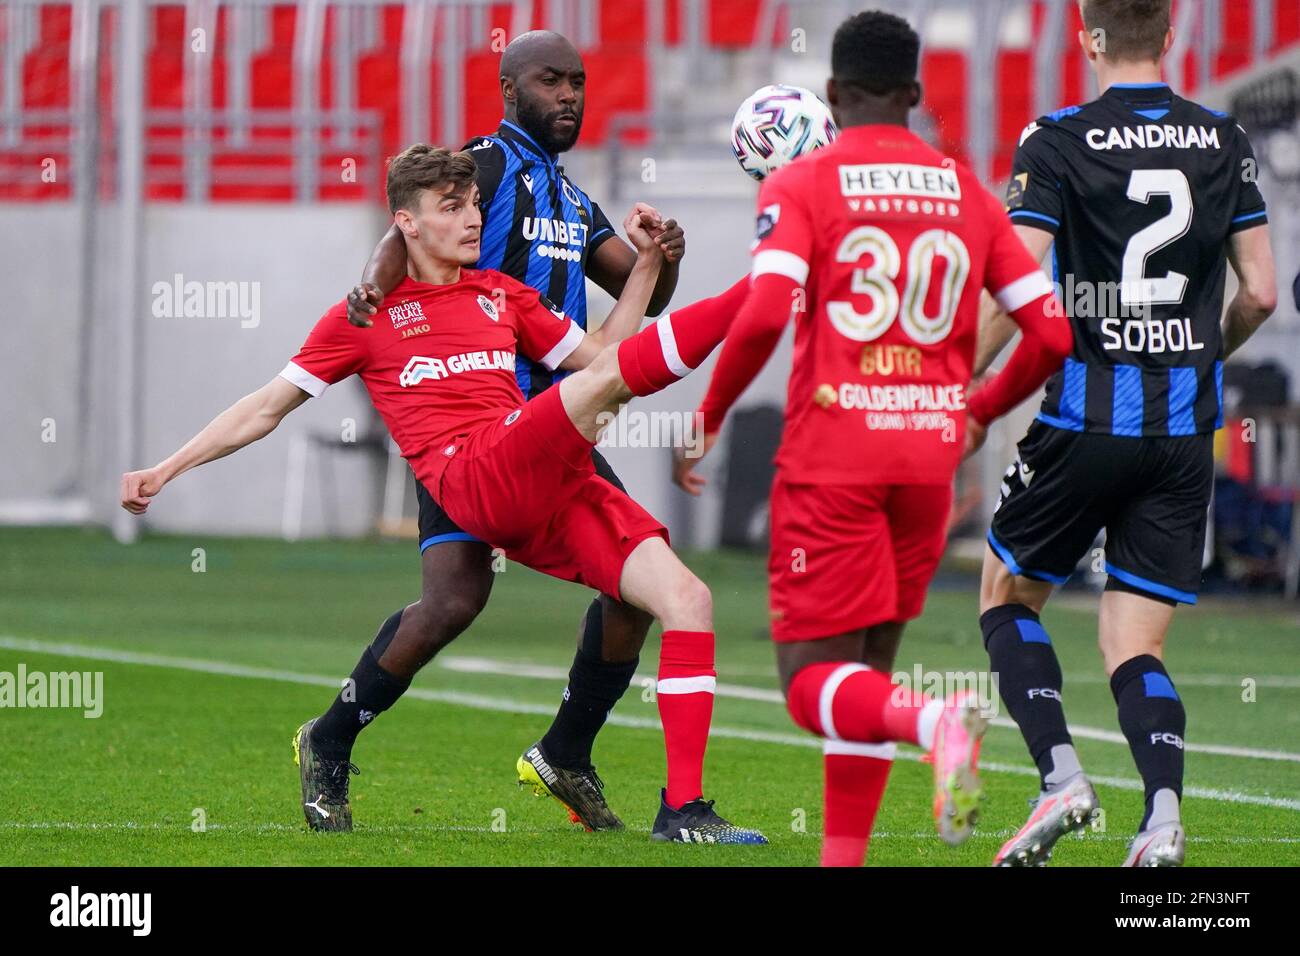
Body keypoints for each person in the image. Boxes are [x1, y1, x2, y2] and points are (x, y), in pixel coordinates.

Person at [122, 143, 769, 844]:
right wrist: (167, 468)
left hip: (544, 478)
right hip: (472, 478)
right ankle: (767, 288)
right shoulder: (364, 318)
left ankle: (682, 811)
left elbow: (608, 362)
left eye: (473, 204)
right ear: (406, 222)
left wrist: (645, 271)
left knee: (685, 599)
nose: (471, 218)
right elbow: (264, 407)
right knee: (462, 586)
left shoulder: (502, 295)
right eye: (451, 207)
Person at [673, 9, 1075, 867]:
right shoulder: (968, 191)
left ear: (830, 95)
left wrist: (705, 418)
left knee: (810, 684)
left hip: (834, 458)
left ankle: (938, 721)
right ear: (917, 95)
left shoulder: (804, 185)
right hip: (926, 460)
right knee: (866, 677)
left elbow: (761, 316)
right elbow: (1050, 332)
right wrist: (975, 411)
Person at [344, 30, 687, 832]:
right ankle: (331, 737)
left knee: (637, 585)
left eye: (578, 81)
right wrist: (370, 286)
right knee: (454, 602)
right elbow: (404, 232)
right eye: (550, 80)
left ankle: (567, 750)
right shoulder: (485, 168)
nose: (569, 94)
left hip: (557, 435)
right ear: (510, 87)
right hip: (476, 427)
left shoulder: (570, 200)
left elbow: (644, 293)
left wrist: (661, 255)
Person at [971, 0, 1276, 866]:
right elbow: (1259, 293)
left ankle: (1062, 778)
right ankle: (1163, 819)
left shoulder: (1055, 137)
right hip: (1184, 436)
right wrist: (1196, 352)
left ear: (1088, 38)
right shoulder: (1224, 137)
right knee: (1133, 643)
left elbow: (1020, 280)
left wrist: (959, 381)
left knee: (1006, 592)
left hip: (1083, 416)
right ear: (1171, 35)